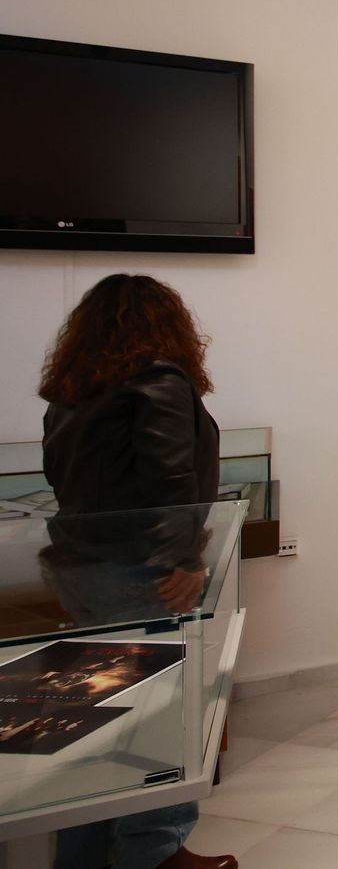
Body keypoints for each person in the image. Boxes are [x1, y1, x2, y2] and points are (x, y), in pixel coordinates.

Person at [38, 274, 234, 869]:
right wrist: (182, 562)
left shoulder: (71, 394)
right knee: (159, 721)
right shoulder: (160, 380)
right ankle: (154, 853)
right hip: (139, 574)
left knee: (97, 726)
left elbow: (58, 481)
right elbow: (171, 481)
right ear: (167, 323)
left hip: (81, 572)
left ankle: (85, 853)